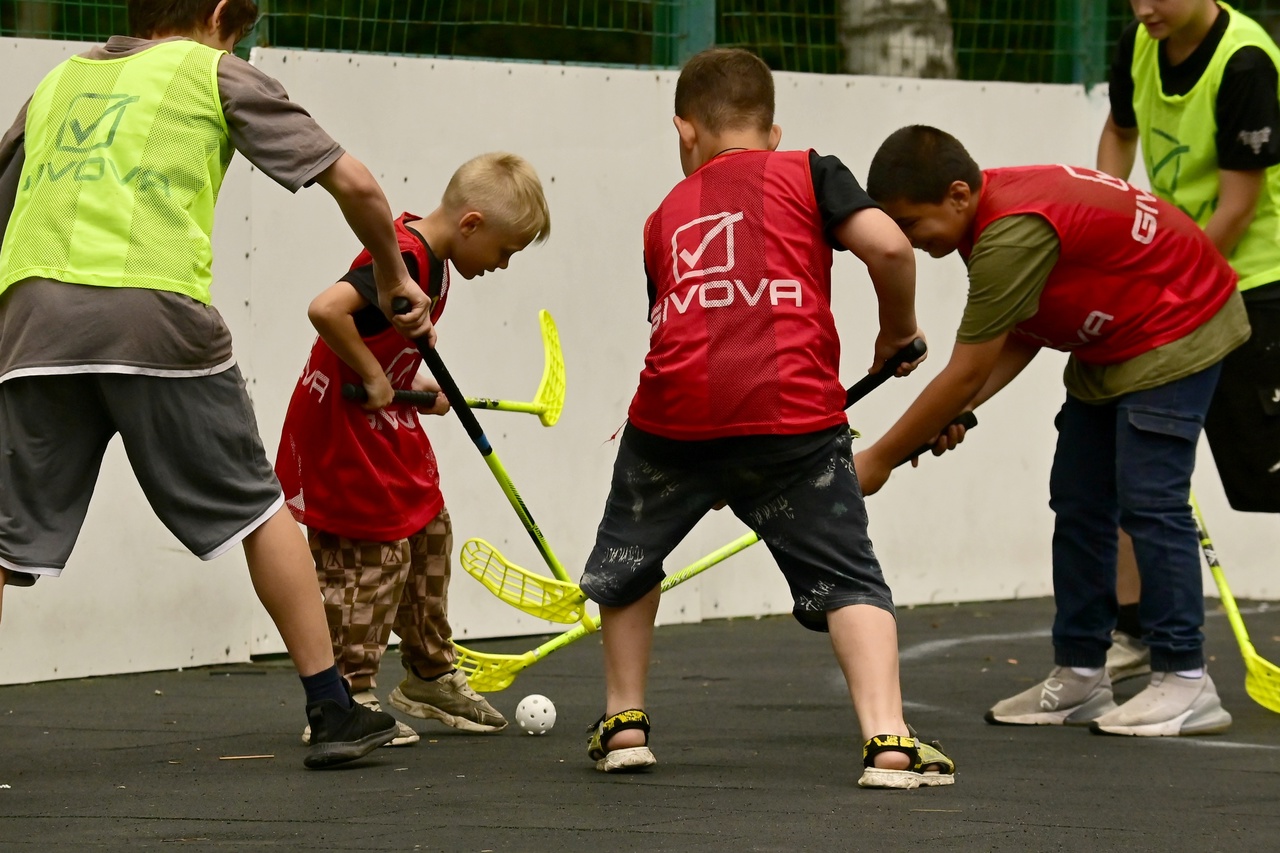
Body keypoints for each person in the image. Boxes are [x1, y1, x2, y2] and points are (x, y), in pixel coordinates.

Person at [0, 0, 437, 769]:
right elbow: (359, 186)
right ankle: (332, 707)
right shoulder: (212, 72)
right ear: (216, 14)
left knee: (3, 536)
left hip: (33, 325)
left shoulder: (58, 82)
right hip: (153, 315)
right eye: (245, 30)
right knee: (256, 508)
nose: (245, 45)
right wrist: (396, 277)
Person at [575, 47, 955, 789]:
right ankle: (889, 741)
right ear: (772, 132)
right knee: (850, 578)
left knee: (626, 562)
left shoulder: (662, 218)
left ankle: (623, 723)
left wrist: (710, 459)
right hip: (795, 421)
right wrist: (894, 329)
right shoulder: (809, 168)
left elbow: (676, 324)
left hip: (670, 419)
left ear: (684, 132)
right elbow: (888, 246)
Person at [859, 124, 1249, 737]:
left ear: (958, 195)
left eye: (910, 225)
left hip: (1179, 320)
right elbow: (1020, 330)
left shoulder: (1012, 233)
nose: (907, 241)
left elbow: (964, 373)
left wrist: (879, 458)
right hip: (1113, 338)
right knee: (1079, 497)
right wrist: (954, 414)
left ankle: (1186, 680)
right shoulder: (987, 218)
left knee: (1151, 501)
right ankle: (1082, 675)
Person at [278, 152, 550, 747]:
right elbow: (326, 309)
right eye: (505, 252)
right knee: (372, 560)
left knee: (429, 531)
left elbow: (380, 334)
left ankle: (428, 673)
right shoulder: (406, 257)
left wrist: (409, 381)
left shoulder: (434, 263)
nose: (503, 266)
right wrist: (375, 376)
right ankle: (348, 694)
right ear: (472, 224)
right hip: (342, 430)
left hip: (378, 427)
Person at [1097, 0, 1280, 683]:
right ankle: (1135, 629)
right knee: (1133, 462)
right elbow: (1119, 132)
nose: (1144, 8)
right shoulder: (1140, 42)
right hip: (1175, 281)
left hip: (1255, 284)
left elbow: (1239, 203)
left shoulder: (1245, 61)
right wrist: (1106, 218)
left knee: (1267, 478)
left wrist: (1167, 285)